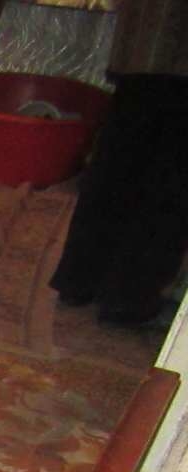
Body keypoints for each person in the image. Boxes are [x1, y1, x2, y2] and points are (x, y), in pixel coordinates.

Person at [49, 0, 188, 326]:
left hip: (148, 32)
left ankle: (81, 278)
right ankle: (130, 297)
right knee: (173, 167)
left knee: (125, 141)